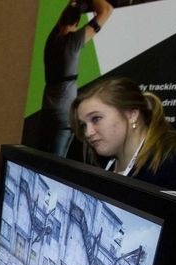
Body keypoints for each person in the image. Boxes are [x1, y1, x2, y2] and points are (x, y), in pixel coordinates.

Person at [70, 77, 176, 192]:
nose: (88, 133)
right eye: (83, 125)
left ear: (132, 114)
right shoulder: (99, 161)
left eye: (96, 119)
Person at [39, 0, 113, 157]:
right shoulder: (73, 41)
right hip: (64, 111)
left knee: (43, 154)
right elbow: (106, 10)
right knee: (58, 159)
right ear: (77, 22)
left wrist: (73, 4)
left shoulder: (51, 41)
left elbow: (64, 17)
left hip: (47, 107)